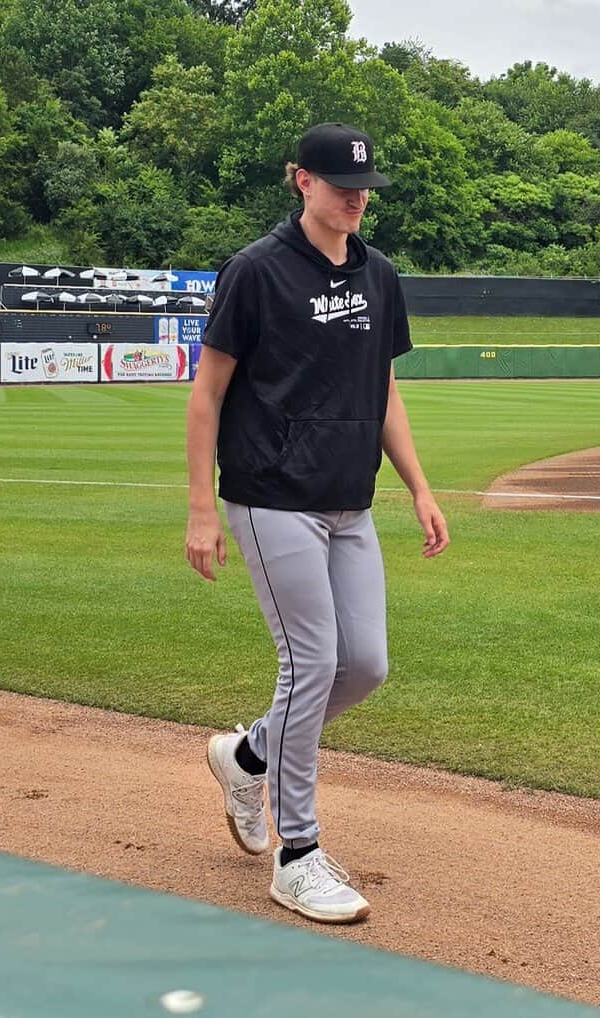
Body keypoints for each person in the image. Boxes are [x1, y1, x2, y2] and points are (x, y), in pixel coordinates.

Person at [185, 123, 449, 923]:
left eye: (364, 185)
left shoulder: (380, 274)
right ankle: (297, 854)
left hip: (349, 499)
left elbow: (385, 392)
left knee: (364, 665)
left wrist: (420, 487)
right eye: (340, 184)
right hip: (271, 496)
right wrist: (203, 509)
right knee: (311, 660)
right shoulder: (257, 271)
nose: (356, 196)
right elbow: (208, 393)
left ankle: (250, 754)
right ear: (301, 181)